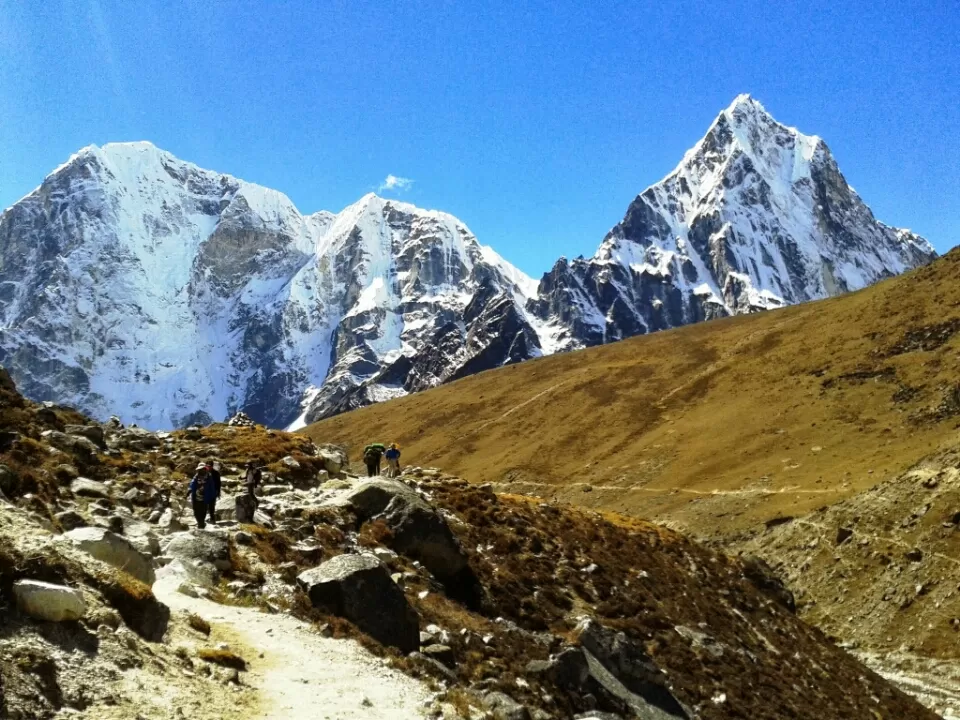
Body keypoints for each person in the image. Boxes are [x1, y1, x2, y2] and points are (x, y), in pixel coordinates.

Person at [187, 463, 217, 529]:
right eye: (200, 469)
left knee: (203, 512)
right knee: (196, 512)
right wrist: (189, 489)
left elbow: (212, 488)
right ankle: (200, 523)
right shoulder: (196, 477)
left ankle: (201, 523)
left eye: (202, 469)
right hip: (196, 498)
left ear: (205, 469)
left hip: (205, 498)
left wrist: (213, 497)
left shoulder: (209, 478)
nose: (201, 471)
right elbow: (192, 484)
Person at [204, 460, 221, 524]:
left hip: (213, 491)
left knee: (211, 505)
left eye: (209, 466)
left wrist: (218, 492)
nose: (208, 467)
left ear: (212, 466)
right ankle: (205, 518)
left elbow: (219, 483)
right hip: (205, 491)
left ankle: (212, 519)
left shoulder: (216, 473)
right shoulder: (204, 472)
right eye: (207, 466)